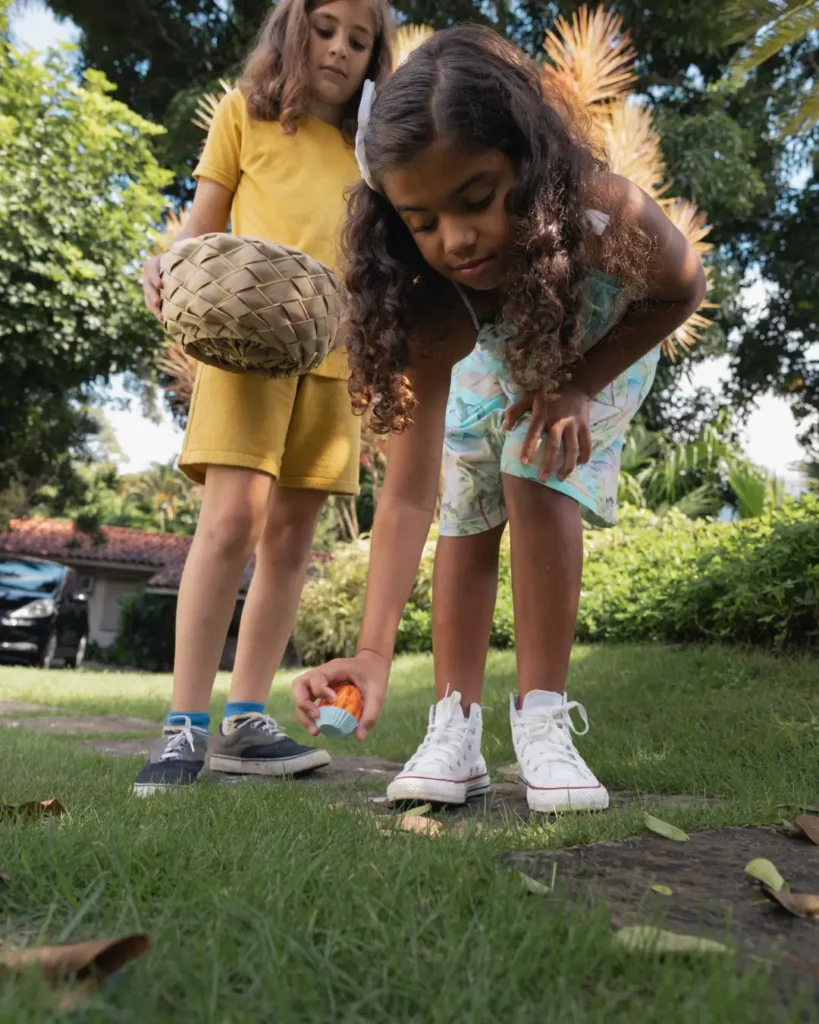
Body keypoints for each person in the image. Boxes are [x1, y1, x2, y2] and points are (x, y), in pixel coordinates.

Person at [292, 25, 707, 813]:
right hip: (504, 349)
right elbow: (411, 493)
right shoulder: (430, 302)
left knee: (531, 460)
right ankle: (455, 724)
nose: (454, 239)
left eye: (477, 199)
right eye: (421, 220)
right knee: (466, 499)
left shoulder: (603, 211)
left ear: (527, 159)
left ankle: (543, 719)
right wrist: (373, 651)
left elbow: (678, 289)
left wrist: (577, 385)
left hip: (603, 345)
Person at [134, 0, 393, 796]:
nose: (340, 50)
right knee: (231, 520)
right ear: (292, 28)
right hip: (248, 345)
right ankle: (185, 723)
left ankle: (247, 719)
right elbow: (201, 226)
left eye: (359, 40)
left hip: (334, 355)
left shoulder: (374, 150)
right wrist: (164, 263)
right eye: (325, 30)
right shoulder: (243, 115)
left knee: (290, 540)